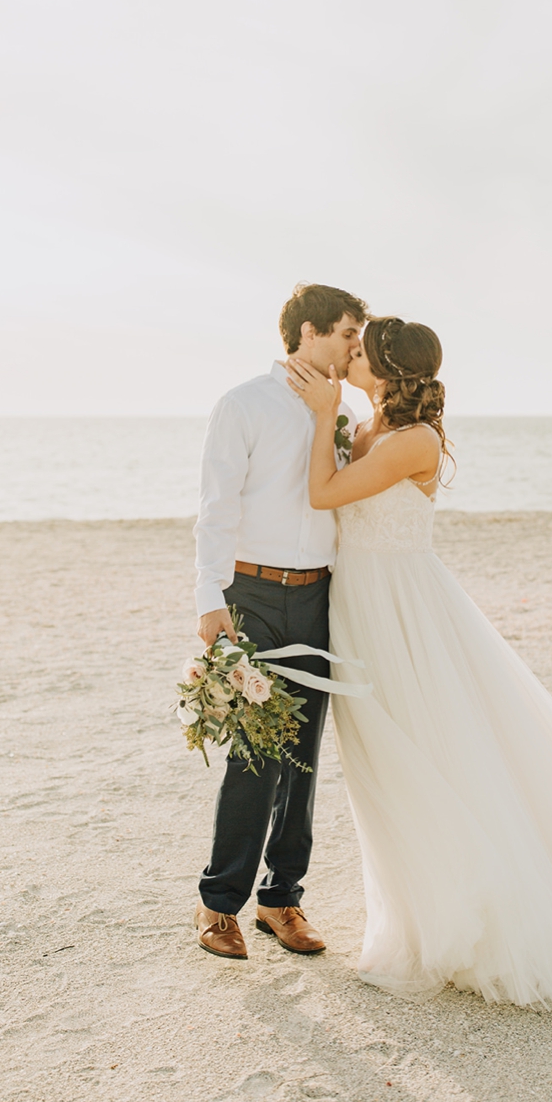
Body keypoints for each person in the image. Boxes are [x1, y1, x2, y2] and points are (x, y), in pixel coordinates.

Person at [286, 317, 552, 1007]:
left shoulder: (411, 440)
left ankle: (467, 909)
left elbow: (325, 494)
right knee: (380, 755)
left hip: (403, 610)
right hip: (361, 604)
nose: (349, 359)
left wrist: (324, 414)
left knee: (425, 749)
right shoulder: (368, 427)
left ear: (388, 369)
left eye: (360, 353)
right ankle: (423, 901)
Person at [193, 282, 367, 960]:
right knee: (254, 753)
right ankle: (217, 905)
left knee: (303, 755)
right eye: (349, 332)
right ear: (309, 332)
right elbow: (217, 505)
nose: (357, 346)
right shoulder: (243, 404)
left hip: (319, 594)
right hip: (253, 594)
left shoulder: (343, 411)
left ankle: (281, 896)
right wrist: (210, 597)